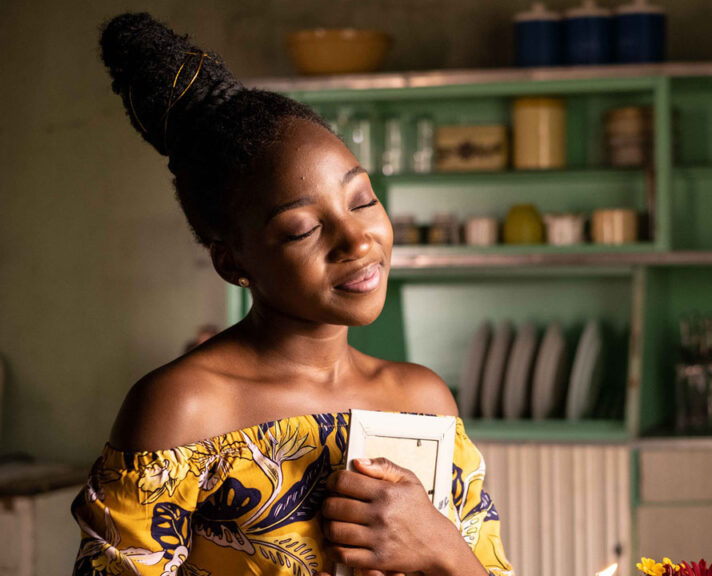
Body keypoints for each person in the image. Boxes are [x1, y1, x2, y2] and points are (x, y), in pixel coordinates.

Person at [72, 12, 513, 576]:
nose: (357, 239)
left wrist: (442, 547)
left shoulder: (422, 401)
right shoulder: (185, 408)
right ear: (233, 262)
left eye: (362, 200)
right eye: (303, 229)